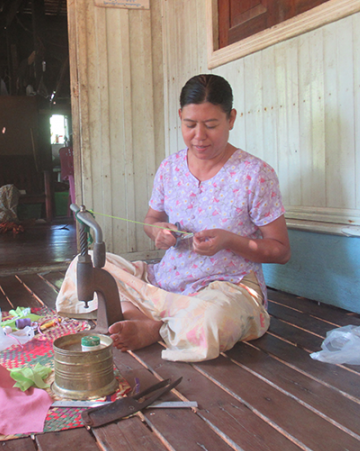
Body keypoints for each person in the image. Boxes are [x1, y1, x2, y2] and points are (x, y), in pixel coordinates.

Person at [56, 74, 291, 362]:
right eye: (190, 125)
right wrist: (157, 232)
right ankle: (152, 317)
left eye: (211, 125)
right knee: (85, 267)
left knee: (212, 320)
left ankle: (151, 325)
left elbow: (280, 251)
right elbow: (151, 219)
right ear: (180, 117)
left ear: (231, 119)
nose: (199, 136)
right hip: (167, 279)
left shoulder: (255, 174)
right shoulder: (171, 168)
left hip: (227, 286)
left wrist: (229, 240)